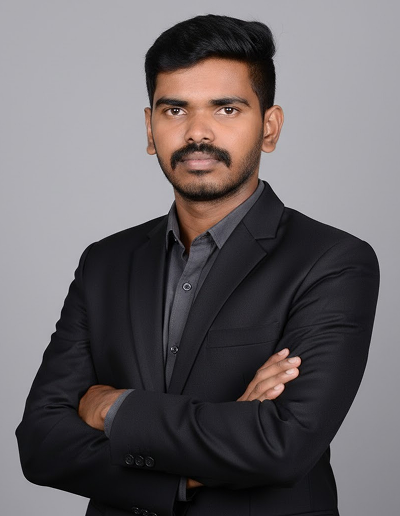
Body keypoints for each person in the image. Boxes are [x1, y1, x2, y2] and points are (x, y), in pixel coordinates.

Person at [16, 14, 379, 516]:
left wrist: (114, 407)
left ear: (269, 128)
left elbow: (281, 445)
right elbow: (41, 443)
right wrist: (194, 468)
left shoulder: (332, 262)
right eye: (175, 110)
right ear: (150, 129)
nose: (197, 132)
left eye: (227, 109)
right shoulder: (105, 262)